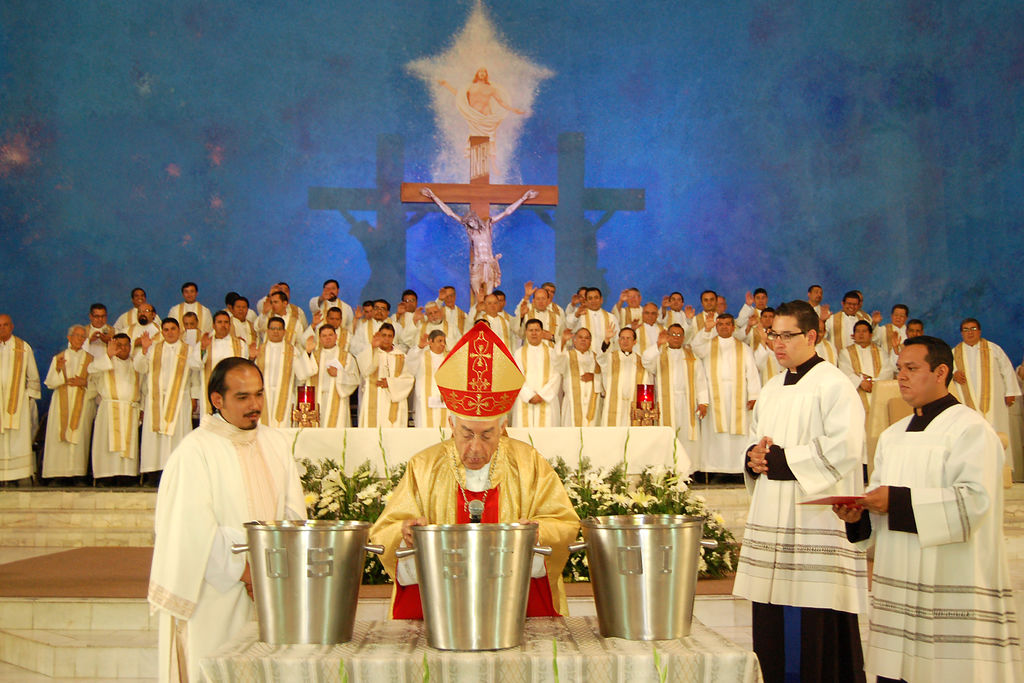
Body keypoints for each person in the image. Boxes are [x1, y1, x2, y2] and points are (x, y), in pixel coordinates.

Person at [834, 336, 1022, 682]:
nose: (901, 376)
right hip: (900, 583)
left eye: (911, 368)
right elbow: (881, 501)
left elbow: (974, 502)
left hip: (949, 581)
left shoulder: (971, 430)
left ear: (940, 372)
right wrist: (861, 515)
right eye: (899, 369)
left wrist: (895, 502)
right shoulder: (892, 436)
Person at [369, 321, 579, 619]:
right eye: (466, 434)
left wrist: (538, 533)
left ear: (503, 426)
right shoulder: (424, 465)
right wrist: (404, 535)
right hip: (442, 612)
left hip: (515, 610)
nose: (475, 448)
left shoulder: (529, 463)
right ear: (451, 424)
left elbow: (564, 523)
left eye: (487, 435)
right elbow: (385, 530)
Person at [734, 300, 868, 683]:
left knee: (816, 620)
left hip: (814, 521)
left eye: (786, 335)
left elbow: (845, 447)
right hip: (773, 517)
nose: (777, 343)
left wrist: (783, 461)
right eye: (772, 334)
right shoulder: (772, 387)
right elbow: (755, 438)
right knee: (771, 619)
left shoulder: (834, 384)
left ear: (811, 336)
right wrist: (753, 458)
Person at [148, 357, 305, 683]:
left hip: (273, 587)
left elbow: (294, 513)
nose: (255, 405)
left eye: (259, 394)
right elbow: (191, 531)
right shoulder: (195, 451)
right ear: (217, 400)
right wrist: (248, 574)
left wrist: (277, 571)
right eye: (243, 397)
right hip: (217, 592)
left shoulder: (275, 442)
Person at [421, 186, 538, 298]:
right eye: (468, 222)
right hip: (477, 265)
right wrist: (433, 197)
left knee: (489, 297)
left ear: (476, 219)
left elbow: (507, 212)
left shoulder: (488, 226)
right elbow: (450, 213)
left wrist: (524, 198)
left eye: (472, 220)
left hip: (489, 263)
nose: (470, 223)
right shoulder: (470, 232)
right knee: (478, 296)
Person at [134, 318, 203, 480]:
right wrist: (144, 350)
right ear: (162, 332)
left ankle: (176, 473)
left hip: (179, 400)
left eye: (173, 329)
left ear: (179, 331)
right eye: (166, 329)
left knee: (177, 435)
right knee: (155, 438)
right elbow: (140, 368)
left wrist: (194, 397)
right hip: (156, 400)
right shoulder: (153, 349)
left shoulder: (188, 350)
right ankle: (153, 473)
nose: (170, 332)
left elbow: (195, 374)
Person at [692, 313, 760, 474]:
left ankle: (738, 469)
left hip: (738, 395)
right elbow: (695, 347)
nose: (724, 327)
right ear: (716, 326)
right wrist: (706, 330)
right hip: (714, 395)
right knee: (715, 433)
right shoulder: (707, 345)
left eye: (727, 324)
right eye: (720, 324)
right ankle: (714, 468)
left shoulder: (743, 348)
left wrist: (754, 396)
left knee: (738, 431)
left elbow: (752, 373)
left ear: (733, 327)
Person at [949, 318, 1020, 466]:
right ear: (961, 333)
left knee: (997, 430)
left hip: (994, 402)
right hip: (967, 403)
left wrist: (1010, 392)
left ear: (979, 331)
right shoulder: (954, 353)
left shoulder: (993, 349)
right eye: (966, 329)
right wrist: (954, 374)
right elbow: (946, 371)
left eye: (973, 329)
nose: (970, 332)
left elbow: (1007, 369)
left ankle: (1000, 468)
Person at [641, 323, 707, 472]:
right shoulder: (659, 354)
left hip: (687, 402)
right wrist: (658, 344)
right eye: (673, 334)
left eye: (679, 335)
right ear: (668, 336)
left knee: (687, 435)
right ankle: (667, 470)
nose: (676, 338)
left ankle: (688, 470)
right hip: (666, 401)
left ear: (683, 337)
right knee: (668, 434)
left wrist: (703, 402)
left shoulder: (692, 356)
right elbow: (646, 362)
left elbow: (700, 380)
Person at [41, 325, 96, 481]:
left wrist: (84, 382)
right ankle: (57, 475)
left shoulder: (91, 359)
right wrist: (58, 370)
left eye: (83, 336)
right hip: (61, 402)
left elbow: (97, 385)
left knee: (80, 437)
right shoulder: (59, 358)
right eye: (77, 336)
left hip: (82, 402)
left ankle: (78, 475)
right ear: (69, 337)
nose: (80, 339)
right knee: (59, 436)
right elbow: (50, 383)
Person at [88, 334, 141, 483]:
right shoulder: (106, 362)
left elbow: (144, 387)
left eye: (126, 345)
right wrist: (108, 355)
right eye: (119, 345)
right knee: (107, 445)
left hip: (130, 410)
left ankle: (127, 476)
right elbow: (91, 369)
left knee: (127, 447)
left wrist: (142, 408)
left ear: (130, 347)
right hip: (109, 409)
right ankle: (106, 477)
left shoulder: (136, 364)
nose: (123, 348)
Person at [253, 317, 317, 428]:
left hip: (285, 396)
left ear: (284, 332)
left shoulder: (291, 350)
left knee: (283, 426)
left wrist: (307, 353)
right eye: (272, 329)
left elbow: (301, 373)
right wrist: (251, 358)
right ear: (267, 331)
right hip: (264, 394)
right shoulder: (260, 350)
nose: (275, 332)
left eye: (279, 329)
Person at [0, 314, 41, 484]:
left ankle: (18, 475)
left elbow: (33, 377)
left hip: (17, 404)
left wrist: (27, 398)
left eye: (5, 325)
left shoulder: (23, 348)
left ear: (12, 327)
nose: (2, 328)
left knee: (17, 440)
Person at [355, 323, 414, 428]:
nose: (386, 339)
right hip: (374, 399)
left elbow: (408, 379)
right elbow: (365, 371)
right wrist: (373, 348)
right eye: (384, 335)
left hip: (394, 398)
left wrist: (390, 383)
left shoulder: (401, 356)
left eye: (389, 336)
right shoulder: (370, 352)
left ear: (393, 338)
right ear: (379, 336)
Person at [512, 319, 562, 427]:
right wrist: (529, 395)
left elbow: (556, 376)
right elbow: (516, 377)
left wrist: (542, 395)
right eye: (531, 330)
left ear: (542, 332)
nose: (534, 333)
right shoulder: (518, 353)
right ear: (526, 332)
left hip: (546, 401)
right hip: (525, 401)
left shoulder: (552, 352)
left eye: (537, 330)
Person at [838, 320, 896, 413]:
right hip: (857, 393)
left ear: (871, 335)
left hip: (877, 392)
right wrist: (860, 382)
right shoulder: (845, 352)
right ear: (853, 335)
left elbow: (887, 371)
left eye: (864, 331)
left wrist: (873, 383)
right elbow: (845, 371)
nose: (861, 334)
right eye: (858, 331)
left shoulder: (881, 352)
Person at [309, 324, 359, 428]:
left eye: (330, 335)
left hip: (338, 400)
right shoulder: (314, 356)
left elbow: (355, 379)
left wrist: (339, 374)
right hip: (318, 399)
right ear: (320, 338)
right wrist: (307, 352)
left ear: (336, 337)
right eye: (324, 336)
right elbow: (303, 374)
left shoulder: (346, 356)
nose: (327, 338)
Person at [597, 327, 648, 427]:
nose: (625, 341)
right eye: (622, 338)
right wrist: (606, 340)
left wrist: (644, 408)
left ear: (635, 342)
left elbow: (646, 383)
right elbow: (600, 358)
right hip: (613, 404)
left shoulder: (641, 361)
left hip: (634, 405)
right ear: (618, 341)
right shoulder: (610, 357)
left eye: (628, 338)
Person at [405, 329, 450, 428]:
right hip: (425, 400)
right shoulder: (421, 356)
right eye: (439, 341)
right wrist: (419, 347)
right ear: (431, 342)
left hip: (445, 401)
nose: (443, 344)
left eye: (444, 341)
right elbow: (410, 365)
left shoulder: (449, 358)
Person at [560, 328, 603, 427]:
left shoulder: (598, 358)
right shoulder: (566, 356)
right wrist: (562, 341)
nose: (583, 340)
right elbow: (556, 361)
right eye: (580, 337)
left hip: (592, 404)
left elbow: (607, 379)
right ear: (574, 340)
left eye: (587, 338)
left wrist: (594, 377)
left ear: (590, 341)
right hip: (572, 403)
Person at [571, 287, 619, 354]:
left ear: (601, 300)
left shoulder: (611, 317)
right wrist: (576, 314)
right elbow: (569, 326)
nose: (593, 301)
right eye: (590, 298)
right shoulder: (580, 316)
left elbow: (617, 339)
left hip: (606, 357)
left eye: (596, 298)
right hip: (585, 356)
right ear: (586, 301)